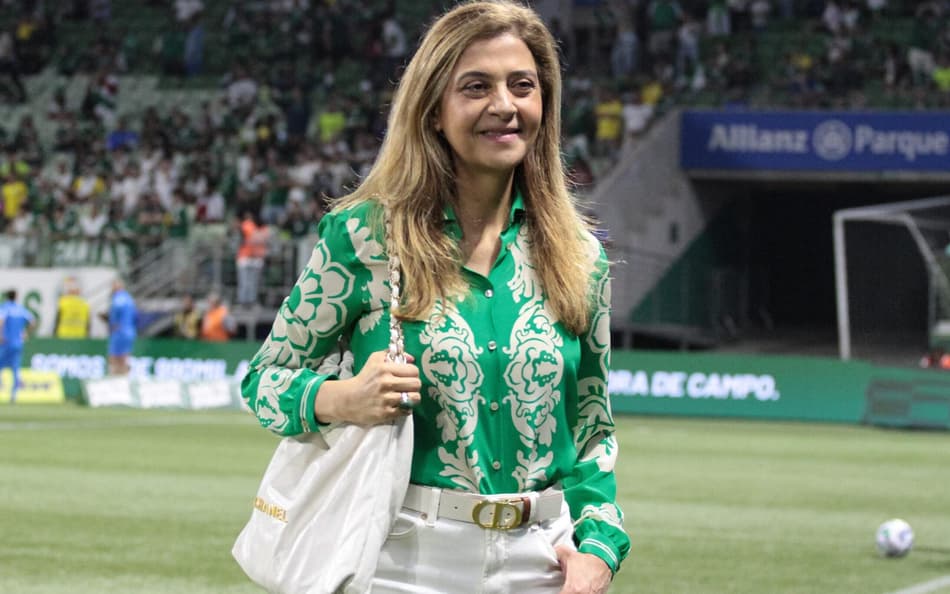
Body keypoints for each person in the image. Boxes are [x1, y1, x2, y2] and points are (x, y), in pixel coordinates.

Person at [239, 2, 629, 593]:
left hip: (541, 564)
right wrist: (342, 397)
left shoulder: (581, 256)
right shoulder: (366, 237)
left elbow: (593, 425)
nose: (504, 105)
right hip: (401, 562)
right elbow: (263, 382)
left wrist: (599, 546)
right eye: (476, 87)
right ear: (433, 113)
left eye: (522, 86)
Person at [0, 289, 36, 403]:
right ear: (16, 297)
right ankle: (14, 395)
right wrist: (25, 332)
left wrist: (1, 334)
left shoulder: (5, 308)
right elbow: (33, 321)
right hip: (17, 344)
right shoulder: (21, 309)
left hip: (5, 343)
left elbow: (1, 321)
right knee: (15, 369)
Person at [101, 279, 137, 375]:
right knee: (125, 357)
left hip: (119, 332)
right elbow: (135, 316)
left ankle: (115, 379)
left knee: (114, 358)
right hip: (130, 331)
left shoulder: (117, 299)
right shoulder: (129, 299)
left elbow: (115, 314)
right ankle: (124, 378)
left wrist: (111, 321)